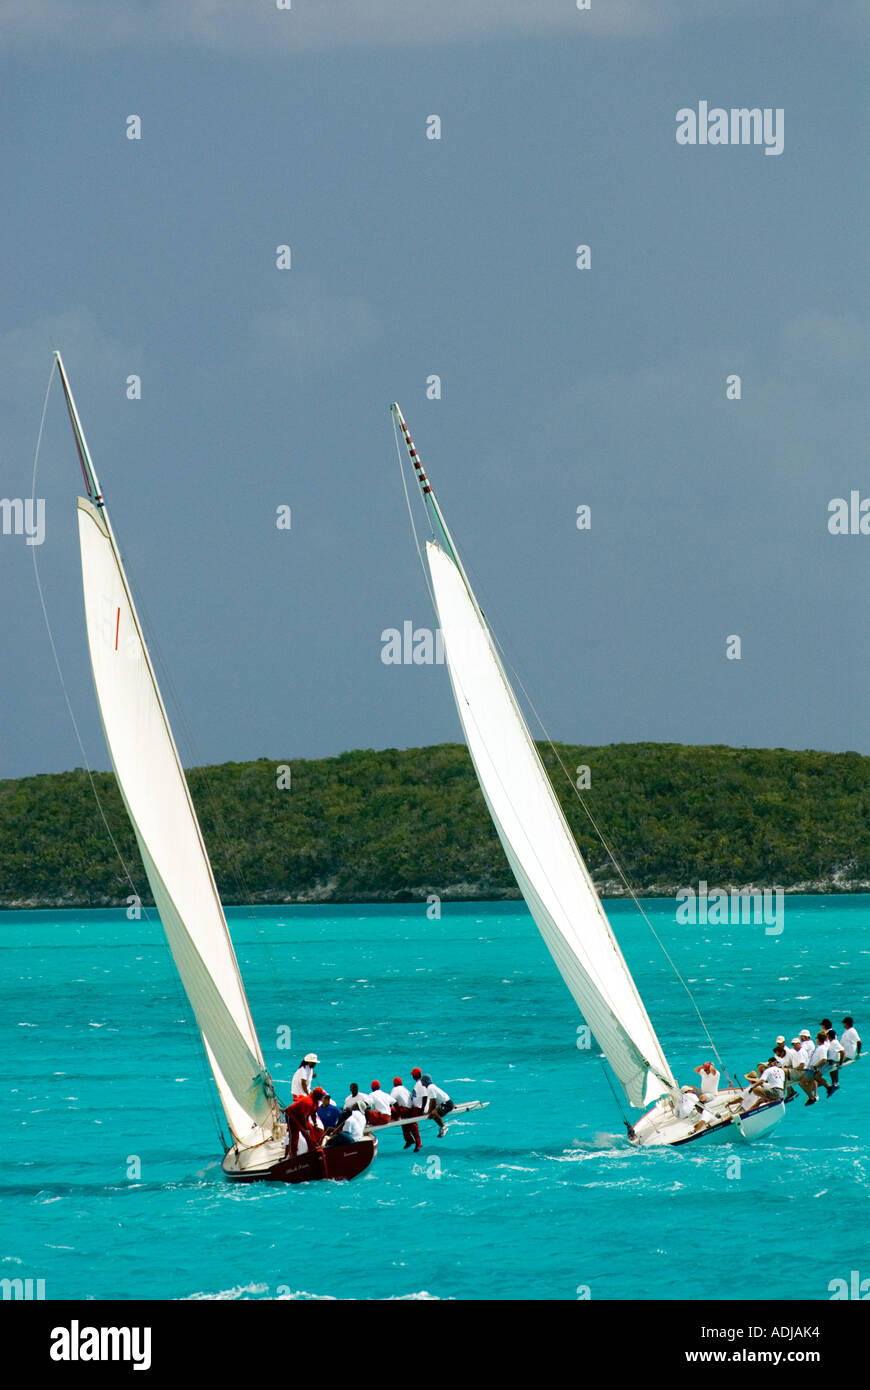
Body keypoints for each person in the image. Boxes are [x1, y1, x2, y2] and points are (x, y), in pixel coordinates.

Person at [284, 1086, 325, 1156]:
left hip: (302, 1117)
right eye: (321, 1095)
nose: (322, 1097)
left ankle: (312, 1150)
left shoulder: (316, 1102)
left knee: (311, 1133)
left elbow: (313, 1114)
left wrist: (315, 1124)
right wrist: (306, 1129)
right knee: (294, 1136)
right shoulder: (308, 1102)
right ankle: (293, 1154)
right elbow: (303, 1116)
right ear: (317, 1095)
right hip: (292, 1115)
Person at [390, 1075, 422, 1152]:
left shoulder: (395, 1089)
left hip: (404, 1110)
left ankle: (410, 1140)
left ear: (394, 1084)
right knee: (406, 1122)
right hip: (411, 1109)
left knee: (390, 1110)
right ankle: (413, 1141)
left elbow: (390, 1101)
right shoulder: (405, 1089)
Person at [805, 1032, 834, 1105]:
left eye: (816, 1038)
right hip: (813, 1068)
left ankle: (828, 1087)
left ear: (818, 1039)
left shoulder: (822, 1048)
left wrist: (816, 1066)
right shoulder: (819, 1047)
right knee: (814, 1079)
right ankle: (816, 1094)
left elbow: (824, 1059)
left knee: (814, 1078)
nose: (815, 1039)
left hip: (816, 1067)